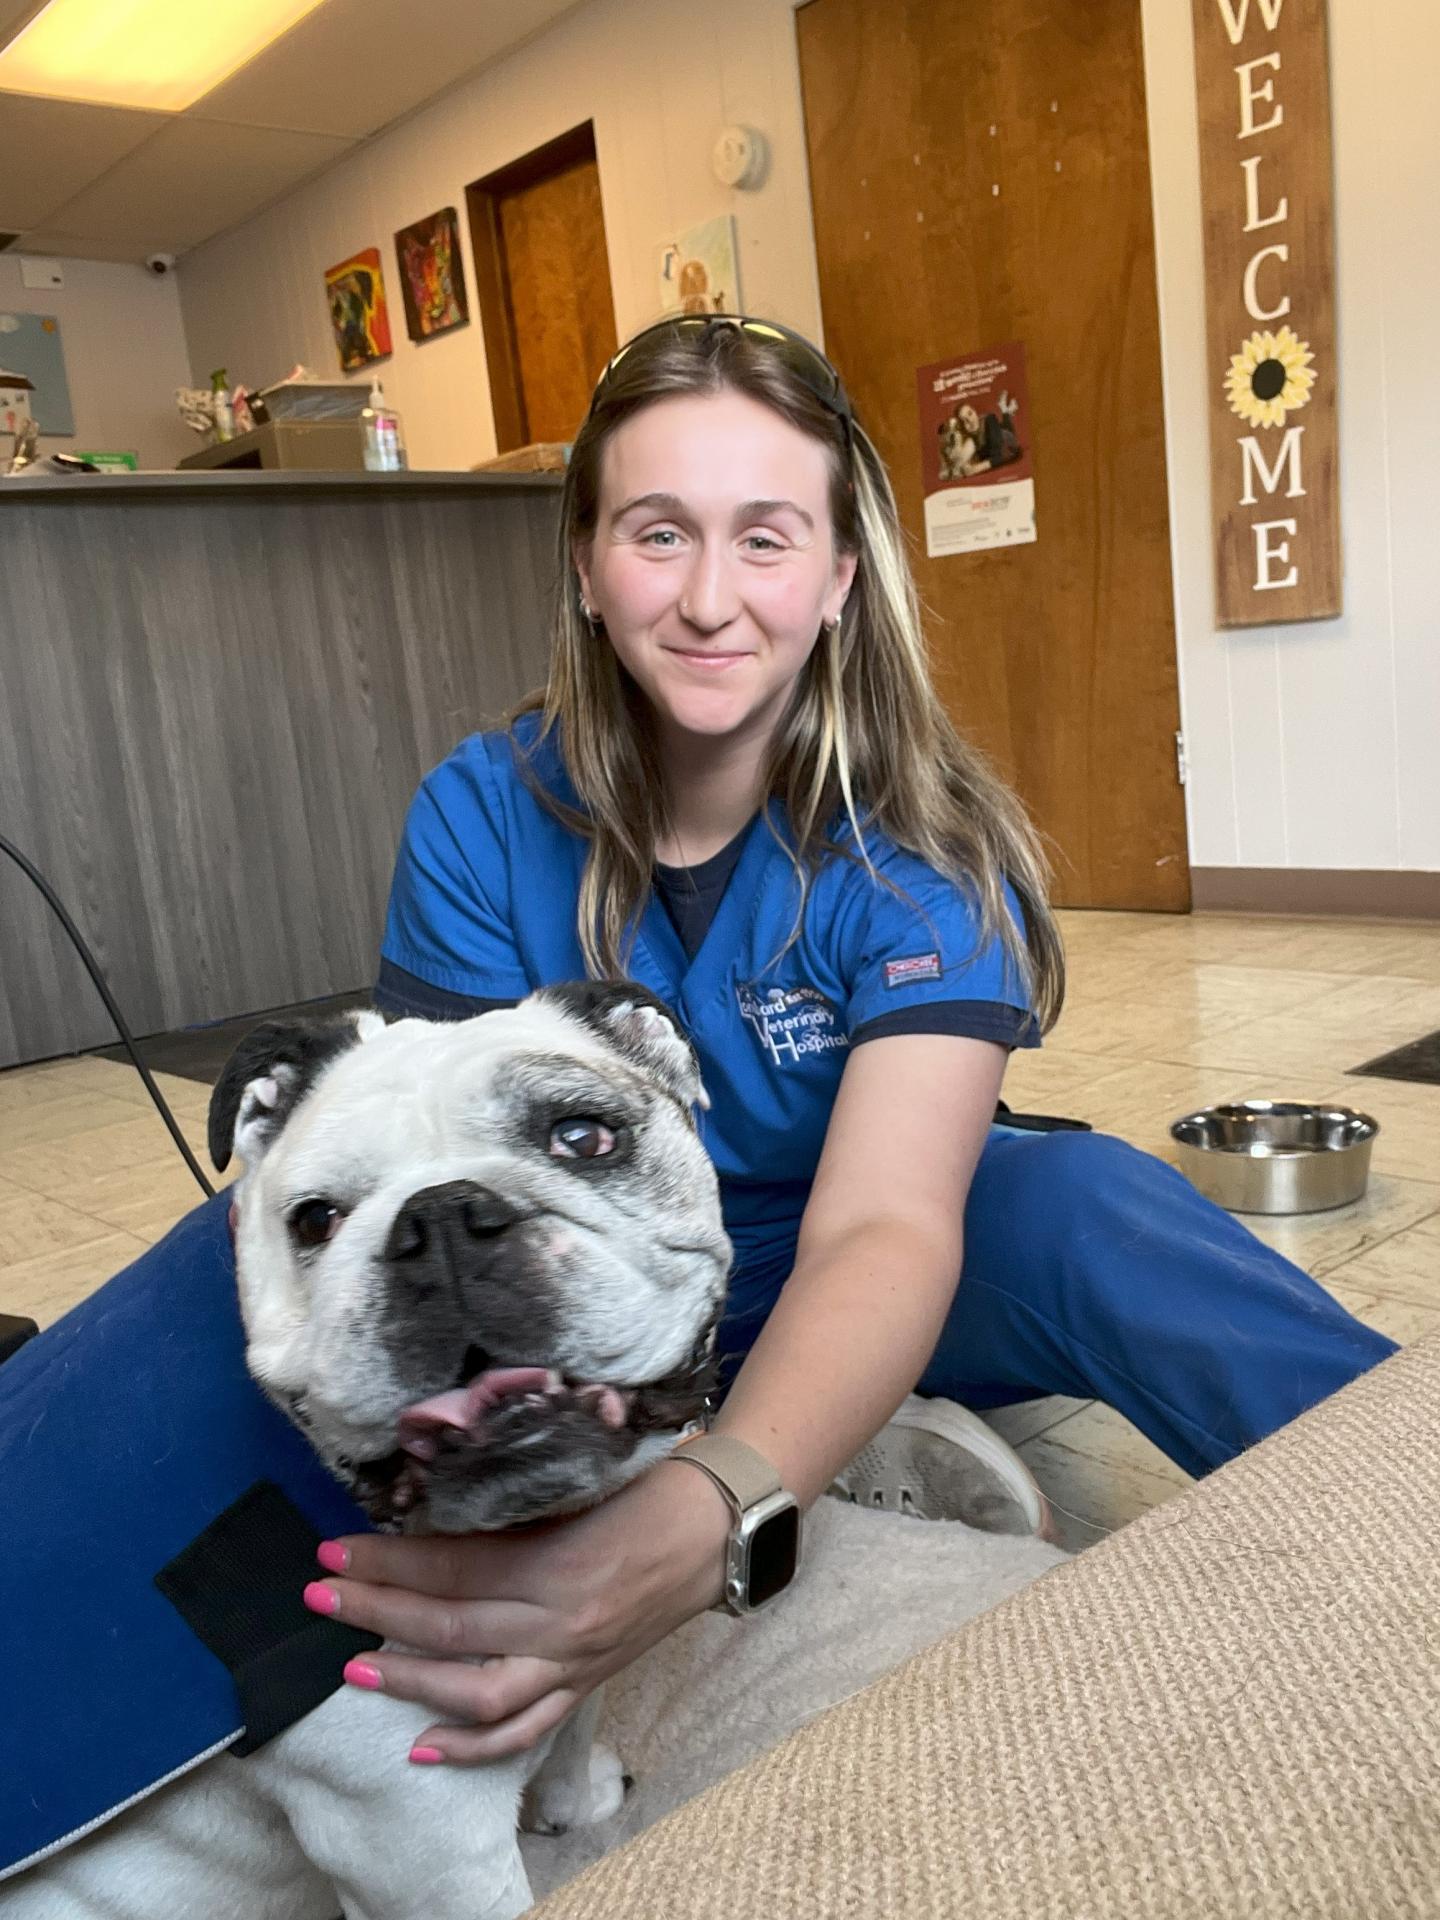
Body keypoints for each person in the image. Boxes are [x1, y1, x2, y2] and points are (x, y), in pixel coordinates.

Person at [297, 315, 1395, 1767]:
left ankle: (1408, 1507)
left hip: (848, 1243)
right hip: (582, 1286)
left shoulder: (923, 856)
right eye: (656, 533)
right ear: (583, 563)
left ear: (837, 579)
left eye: (766, 538)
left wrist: (709, 1512)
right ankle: (860, 1439)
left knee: (1080, 1205)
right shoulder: (478, 814)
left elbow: (883, 1226)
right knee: (255, 1306)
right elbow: (434, 1182)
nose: (706, 598)